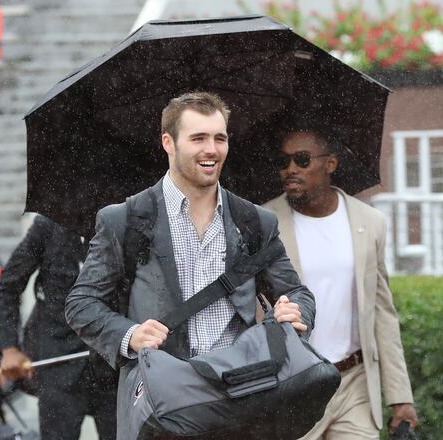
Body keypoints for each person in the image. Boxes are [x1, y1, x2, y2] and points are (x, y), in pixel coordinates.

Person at [64, 92, 315, 438]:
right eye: (198, 138)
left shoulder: (256, 222)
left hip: (240, 396)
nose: (211, 149)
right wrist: (129, 334)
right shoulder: (125, 220)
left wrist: (295, 311)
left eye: (219, 138)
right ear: (168, 142)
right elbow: (81, 304)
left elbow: (297, 292)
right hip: (162, 403)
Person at [262, 129, 418, 439]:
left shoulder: (370, 222)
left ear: (330, 164)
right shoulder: (264, 221)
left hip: (354, 382)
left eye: (302, 160)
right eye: (284, 161)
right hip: (294, 385)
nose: (291, 169)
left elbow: (382, 312)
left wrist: (401, 397)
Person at [0, 214, 118, 440]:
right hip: (57, 361)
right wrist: (8, 348)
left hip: (113, 364)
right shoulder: (47, 226)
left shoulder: (126, 222)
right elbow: (6, 287)